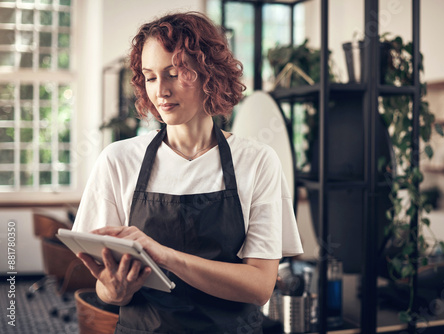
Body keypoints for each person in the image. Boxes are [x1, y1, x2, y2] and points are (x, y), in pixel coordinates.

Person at [73, 11, 303, 334]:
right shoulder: (117, 160)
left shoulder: (258, 161)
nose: (161, 92)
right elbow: (104, 290)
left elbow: (260, 286)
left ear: (209, 74)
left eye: (173, 73)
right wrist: (116, 289)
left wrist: (164, 256)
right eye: (150, 77)